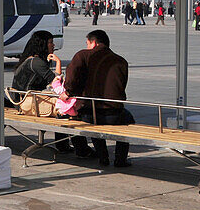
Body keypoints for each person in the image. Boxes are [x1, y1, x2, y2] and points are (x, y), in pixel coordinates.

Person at [62, 29, 132, 167]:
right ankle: (120, 159)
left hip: (91, 113)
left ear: (93, 43)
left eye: (87, 43)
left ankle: (103, 156)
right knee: (128, 120)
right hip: (115, 113)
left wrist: (68, 92)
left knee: (87, 120)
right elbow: (122, 86)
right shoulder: (121, 61)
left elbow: (72, 76)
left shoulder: (84, 55)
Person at [10, 30, 70, 152]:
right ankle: (66, 146)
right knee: (65, 108)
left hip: (23, 100)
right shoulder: (36, 62)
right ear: (42, 45)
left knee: (61, 105)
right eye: (50, 42)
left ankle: (64, 145)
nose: (53, 45)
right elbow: (56, 83)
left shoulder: (32, 59)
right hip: (26, 103)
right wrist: (58, 62)